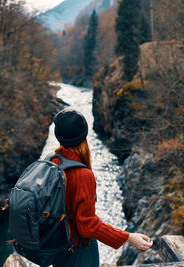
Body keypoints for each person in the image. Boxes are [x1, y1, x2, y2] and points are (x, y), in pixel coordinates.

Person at [49, 108, 153, 267]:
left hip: (58, 247)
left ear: (58, 136)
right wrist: (128, 237)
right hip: (78, 251)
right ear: (83, 136)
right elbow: (86, 226)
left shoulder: (51, 162)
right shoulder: (82, 175)